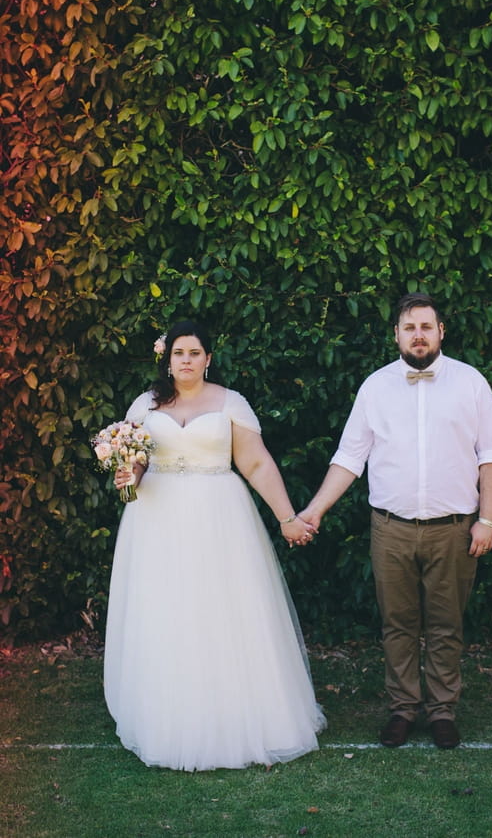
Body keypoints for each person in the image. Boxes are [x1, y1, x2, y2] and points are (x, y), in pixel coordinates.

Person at [104, 320, 326, 771]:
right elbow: (138, 460)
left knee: (222, 609)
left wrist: (287, 517)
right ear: (167, 359)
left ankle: (232, 713)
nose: (185, 361)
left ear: (208, 358)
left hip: (219, 517)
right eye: (178, 353)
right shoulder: (145, 406)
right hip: (155, 519)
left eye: (194, 353)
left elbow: (256, 462)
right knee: (164, 609)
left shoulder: (230, 403)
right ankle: (166, 715)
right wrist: (131, 474)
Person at [299, 293, 492, 749]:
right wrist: (314, 510)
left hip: (454, 527)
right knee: (397, 624)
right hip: (390, 527)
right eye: (409, 327)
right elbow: (350, 457)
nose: (418, 335)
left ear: (440, 332)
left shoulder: (471, 384)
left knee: (446, 624)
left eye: (426, 327)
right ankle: (402, 708)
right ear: (396, 334)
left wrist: (486, 521)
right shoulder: (375, 387)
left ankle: (442, 711)